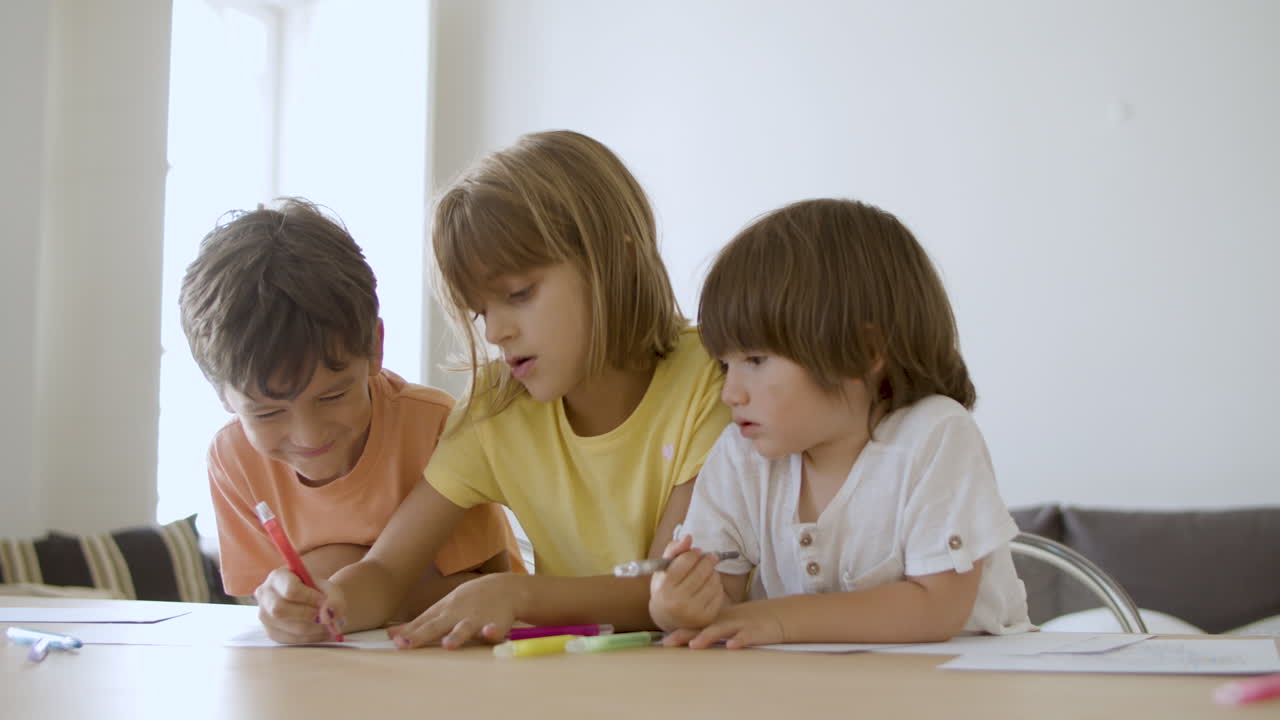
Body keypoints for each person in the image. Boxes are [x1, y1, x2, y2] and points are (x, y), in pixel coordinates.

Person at [258, 130, 732, 648]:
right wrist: (326, 602)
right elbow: (388, 571)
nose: (495, 332)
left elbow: (665, 592)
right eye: (480, 311)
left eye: (518, 294)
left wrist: (518, 594)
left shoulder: (712, 379)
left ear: (617, 262)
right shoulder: (496, 408)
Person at [649, 198, 1032, 648]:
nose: (730, 393)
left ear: (864, 353)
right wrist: (677, 605)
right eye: (724, 366)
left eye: (755, 360)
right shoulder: (741, 454)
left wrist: (777, 619)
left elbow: (937, 606)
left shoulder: (934, 436)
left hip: (964, 677)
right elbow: (720, 597)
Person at [179, 198, 525, 643]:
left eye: (333, 395)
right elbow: (272, 602)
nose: (309, 435)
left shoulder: (435, 428)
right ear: (218, 390)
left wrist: (345, 577)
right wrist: (293, 607)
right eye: (267, 412)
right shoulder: (233, 459)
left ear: (375, 347)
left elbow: (487, 589)